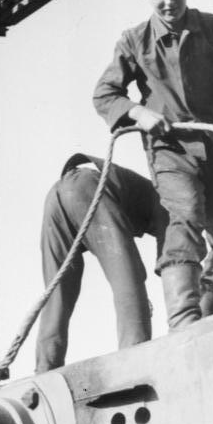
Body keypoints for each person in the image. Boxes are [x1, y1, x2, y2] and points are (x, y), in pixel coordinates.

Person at [93, 0, 213, 331]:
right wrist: (139, 113)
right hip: (170, 152)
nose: (169, 2)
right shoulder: (134, 41)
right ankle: (184, 325)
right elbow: (105, 94)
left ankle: (202, 317)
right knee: (183, 218)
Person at [35, 153, 163, 372]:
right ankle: (135, 363)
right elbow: (173, 259)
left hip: (56, 195)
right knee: (128, 279)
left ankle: (45, 369)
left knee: (56, 295)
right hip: (87, 187)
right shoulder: (173, 204)